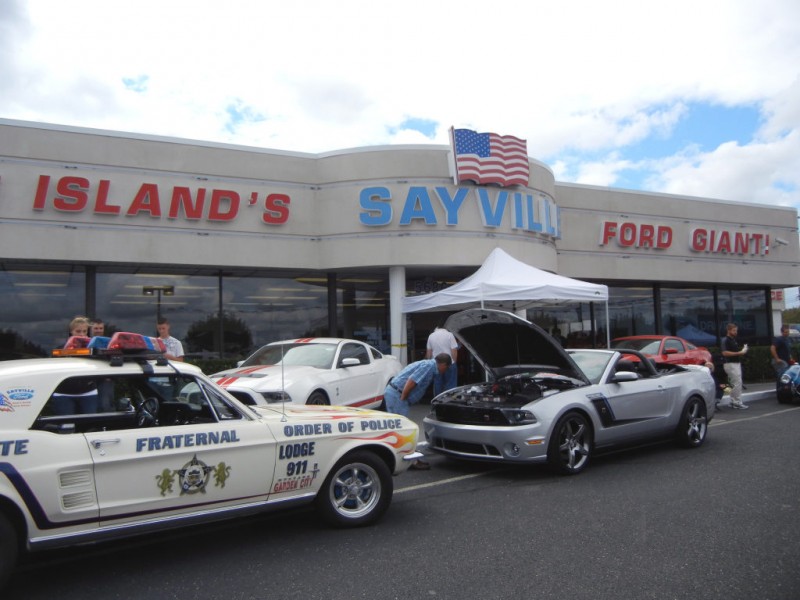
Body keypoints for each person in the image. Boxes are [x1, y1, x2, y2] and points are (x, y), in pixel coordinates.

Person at [384, 353, 453, 470]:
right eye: (446, 368)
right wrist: (403, 398)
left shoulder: (428, 365)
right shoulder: (429, 367)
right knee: (403, 430)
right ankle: (412, 461)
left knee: (395, 430)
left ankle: (395, 458)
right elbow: (412, 381)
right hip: (398, 395)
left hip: (394, 393)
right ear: (443, 364)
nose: (445, 371)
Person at [721, 322, 748, 409]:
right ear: (728, 330)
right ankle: (737, 402)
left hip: (734, 363)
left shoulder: (732, 340)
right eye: (734, 330)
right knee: (737, 383)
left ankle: (733, 401)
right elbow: (724, 353)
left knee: (733, 383)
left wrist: (741, 351)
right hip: (730, 364)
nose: (736, 332)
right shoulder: (726, 340)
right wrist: (739, 352)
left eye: (736, 330)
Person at [425, 323, 458, 396]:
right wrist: (454, 362)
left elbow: (429, 352)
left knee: (438, 383)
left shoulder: (431, 336)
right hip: (449, 363)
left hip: (436, 364)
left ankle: (438, 402)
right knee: (451, 384)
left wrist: (429, 363)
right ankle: (450, 401)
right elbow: (454, 350)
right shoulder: (450, 335)